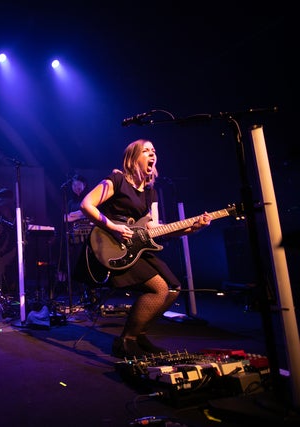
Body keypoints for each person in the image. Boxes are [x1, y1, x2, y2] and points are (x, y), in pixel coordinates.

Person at [80, 139, 212, 358]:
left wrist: (193, 228)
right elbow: (86, 204)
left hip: (135, 247)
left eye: (154, 151)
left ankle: (139, 334)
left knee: (173, 289)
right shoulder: (117, 180)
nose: (152, 154)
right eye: (146, 150)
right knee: (159, 288)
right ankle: (126, 340)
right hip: (112, 246)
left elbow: (155, 229)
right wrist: (113, 228)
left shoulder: (150, 193)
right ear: (133, 158)